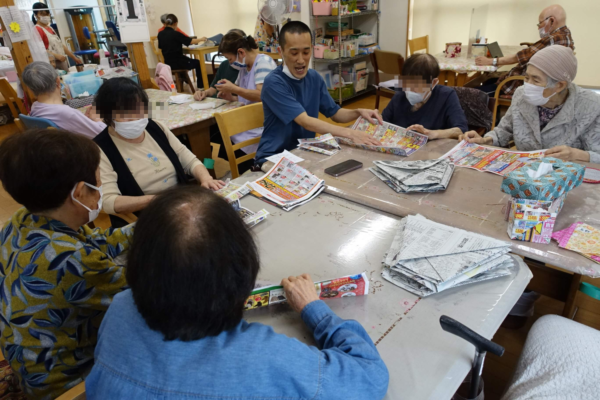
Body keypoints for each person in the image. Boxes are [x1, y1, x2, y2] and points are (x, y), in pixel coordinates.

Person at [85, 186, 389, 399]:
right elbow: (369, 377)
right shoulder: (268, 361)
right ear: (243, 280)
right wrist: (314, 309)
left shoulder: (119, 310)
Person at [0, 129, 131, 399]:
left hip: (31, 363)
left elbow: (95, 241)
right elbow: (152, 295)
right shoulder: (74, 260)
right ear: (80, 192)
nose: (100, 189)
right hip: (67, 384)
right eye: (99, 182)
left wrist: (149, 225)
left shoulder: (22, 220)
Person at [93, 78, 224, 225]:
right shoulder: (100, 148)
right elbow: (109, 202)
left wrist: (205, 178)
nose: (135, 119)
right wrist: (157, 200)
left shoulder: (155, 127)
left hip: (181, 203)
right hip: (147, 215)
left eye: (139, 110)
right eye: (125, 115)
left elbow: (187, 158)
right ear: (108, 117)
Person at [257, 21, 382, 165]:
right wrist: (350, 133)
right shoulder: (274, 82)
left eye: (306, 52)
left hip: (302, 152)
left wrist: (358, 112)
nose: (301, 60)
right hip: (274, 157)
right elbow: (305, 122)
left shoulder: (314, 78)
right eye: (294, 53)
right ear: (280, 51)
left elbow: (335, 113)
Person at [461, 46, 600, 164]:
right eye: (527, 77)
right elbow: (505, 130)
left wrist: (576, 154)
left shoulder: (591, 106)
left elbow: (597, 155)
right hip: (525, 173)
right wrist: (486, 140)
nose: (528, 85)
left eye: (536, 80)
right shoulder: (521, 95)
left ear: (559, 85)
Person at [199, 31, 277, 171]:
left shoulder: (263, 63)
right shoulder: (244, 67)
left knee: (213, 134)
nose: (230, 64)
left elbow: (261, 96)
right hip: (249, 120)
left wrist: (234, 88)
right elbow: (246, 98)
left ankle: (240, 167)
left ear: (240, 52)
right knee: (206, 134)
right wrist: (232, 97)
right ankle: (207, 170)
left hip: (262, 125)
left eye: (229, 59)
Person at [475, 4, 574, 96]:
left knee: (474, 94)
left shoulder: (552, 39)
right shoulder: (565, 35)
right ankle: (494, 112)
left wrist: (490, 61)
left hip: (519, 83)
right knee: (488, 81)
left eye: (539, 24)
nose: (538, 27)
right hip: (534, 82)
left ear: (552, 21)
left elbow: (518, 57)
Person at [382, 53, 468, 140]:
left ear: (433, 83)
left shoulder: (446, 96)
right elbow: (383, 122)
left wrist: (433, 133)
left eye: (416, 85)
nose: (409, 89)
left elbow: (461, 129)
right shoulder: (400, 95)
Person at [23, 61, 106, 137]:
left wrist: (83, 119)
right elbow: (103, 133)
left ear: (30, 89)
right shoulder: (67, 113)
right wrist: (97, 119)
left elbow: (67, 123)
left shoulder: (35, 107)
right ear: (58, 81)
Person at [157, 14, 206, 89]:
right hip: (178, 63)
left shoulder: (160, 34)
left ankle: (183, 82)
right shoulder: (176, 34)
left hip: (168, 63)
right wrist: (201, 39)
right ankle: (201, 86)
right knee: (198, 63)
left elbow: (161, 47)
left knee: (186, 59)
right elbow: (190, 41)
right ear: (175, 23)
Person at [193, 29, 244, 101]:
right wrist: (204, 93)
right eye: (227, 58)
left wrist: (232, 95)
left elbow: (249, 99)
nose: (230, 62)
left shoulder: (247, 69)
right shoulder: (224, 65)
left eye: (230, 58)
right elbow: (213, 88)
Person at [32, 2, 83, 71]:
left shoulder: (50, 28)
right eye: (42, 14)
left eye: (47, 14)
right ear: (35, 15)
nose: (46, 16)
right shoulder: (37, 29)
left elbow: (60, 45)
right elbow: (39, 49)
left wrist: (74, 58)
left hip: (61, 61)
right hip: (51, 63)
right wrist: (56, 56)